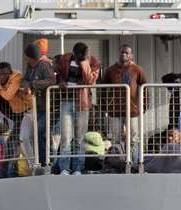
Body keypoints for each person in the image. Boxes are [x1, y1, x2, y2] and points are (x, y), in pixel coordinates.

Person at [54, 42, 101, 175]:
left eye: (81, 54)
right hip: (66, 101)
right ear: (73, 52)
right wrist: (61, 82)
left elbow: (90, 80)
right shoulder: (65, 58)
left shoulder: (94, 62)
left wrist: (84, 62)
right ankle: (64, 168)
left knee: (79, 138)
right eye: (76, 54)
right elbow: (59, 74)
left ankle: (78, 168)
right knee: (66, 137)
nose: (77, 56)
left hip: (82, 102)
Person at [102, 44, 147, 164]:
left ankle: (134, 162)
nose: (124, 54)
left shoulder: (138, 69)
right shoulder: (110, 70)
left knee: (134, 138)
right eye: (122, 52)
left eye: (127, 53)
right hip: (114, 111)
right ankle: (119, 163)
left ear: (131, 55)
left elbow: (145, 88)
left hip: (133, 110)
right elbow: (102, 88)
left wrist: (144, 105)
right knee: (116, 139)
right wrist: (103, 105)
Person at [0, 62, 32, 168]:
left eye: (4, 74)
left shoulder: (16, 77)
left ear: (10, 73)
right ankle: (27, 166)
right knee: (18, 140)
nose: (1, 77)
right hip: (19, 114)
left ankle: (32, 165)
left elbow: (8, 95)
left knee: (23, 139)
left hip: (31, 110)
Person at [21, 43, 55, 166]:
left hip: (48, 107)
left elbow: (51, 80)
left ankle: (44, 161)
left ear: (31, 57)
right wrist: (26, 84)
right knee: (41, 134)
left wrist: (33, 84)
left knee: (38, 132)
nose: (25, 59)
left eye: (26, 57)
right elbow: (24, 79)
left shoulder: (44, 65)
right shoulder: (31, 66)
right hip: (39, 107)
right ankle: (46, 160)